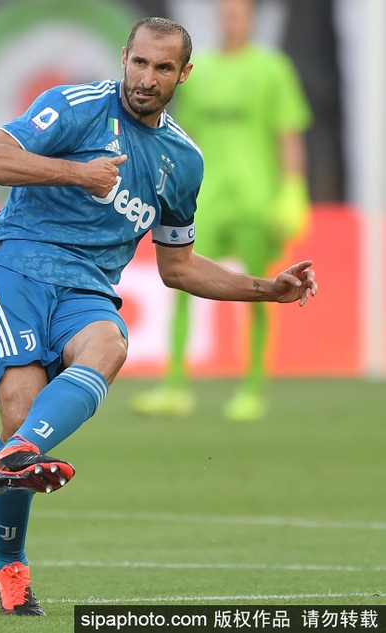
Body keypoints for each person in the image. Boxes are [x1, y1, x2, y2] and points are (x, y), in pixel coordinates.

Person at [0, 16, 317, 616]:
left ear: (184, 74)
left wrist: (266, 289)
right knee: (23, 410)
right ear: (124, 56)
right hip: (14, 266)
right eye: (140, 63)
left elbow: (178, 267)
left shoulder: (182, 160)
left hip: (88, 288)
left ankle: (13, 457)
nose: (147, 78)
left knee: (109, 345)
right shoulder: (75, 106)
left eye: (163, 68)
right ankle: (10, 566)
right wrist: (79, 172)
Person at [129, 0, 313, 422]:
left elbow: (288, 131)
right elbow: (183, 133)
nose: (231, 20)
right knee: (180, 280)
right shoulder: (201, 69)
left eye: (239, 13)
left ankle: (252, 387)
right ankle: (176, 385)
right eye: (226, 12)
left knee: (260, 289)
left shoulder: (272, 69)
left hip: (255, 198)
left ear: (251, 19)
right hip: (204, 198)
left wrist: (293, 187)